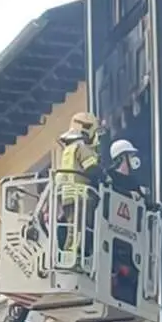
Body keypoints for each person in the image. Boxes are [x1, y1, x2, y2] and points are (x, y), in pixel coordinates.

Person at [54, 112, 104, 265]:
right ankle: (74, 258)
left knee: (71, 228)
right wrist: (104, 176)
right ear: (86, 130)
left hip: (67, 196)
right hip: (80, 195)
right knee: (80, 229)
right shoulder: (81, 148)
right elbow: (91, 168)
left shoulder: (68, 150)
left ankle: (68, 255)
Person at [107, 139, 160, 211]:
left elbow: (142, 202)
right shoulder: (109, 175)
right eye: (131, 155)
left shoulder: (133, 181)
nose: (133, 158)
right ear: (122, 157)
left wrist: (153, 206)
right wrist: (129, 194)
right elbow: (110, 189)